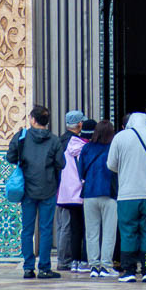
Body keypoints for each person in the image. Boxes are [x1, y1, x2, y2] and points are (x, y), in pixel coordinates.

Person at [106, 112, 146, 282]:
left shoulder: (120, 138)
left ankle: (129, 270)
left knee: (128, 232)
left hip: (127, 194)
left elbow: (111, 165)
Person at [6, 105, 65, 280]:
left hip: (27, 191)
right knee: (46, 229)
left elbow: (10, 157)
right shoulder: (54, 140)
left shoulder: (22, 137)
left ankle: (28, 267)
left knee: (27, 229)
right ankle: (45, 267)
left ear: (33, 119)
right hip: (48, 189)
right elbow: (61, 164)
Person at [79, 119, 118, 277]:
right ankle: (106, 266)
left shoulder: (87, 148)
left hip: (90, 193)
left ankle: (93, 266)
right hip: (109, 193)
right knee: (109, 232)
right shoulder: (113, 148)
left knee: (91, 232)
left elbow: (80, 171)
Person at [56, 115, 88, 272]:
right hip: (76, 191)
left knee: (63, 226)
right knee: (71, 228)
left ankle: (63, 259)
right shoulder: (78, 144)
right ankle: (66, 261)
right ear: (80, 124)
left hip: (61, 191)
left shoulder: (58, 142)